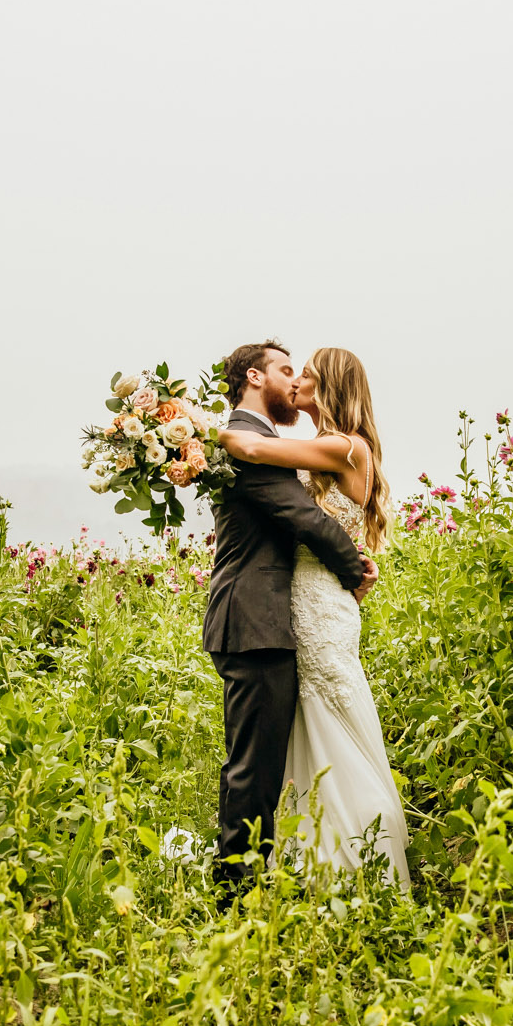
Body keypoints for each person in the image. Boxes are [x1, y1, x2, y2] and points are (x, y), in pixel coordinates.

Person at [216, 346, 411, 888]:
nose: (297, 380)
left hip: (319, 603)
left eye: (305, 374)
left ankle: (355, 863)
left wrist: (201, 433)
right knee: (303, 733)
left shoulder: (342, 446)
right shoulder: (323, 447)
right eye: (290, 371)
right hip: (298, 602)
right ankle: (310, 861)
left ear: (329, 385)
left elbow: (252, 446)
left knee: (334, 722)